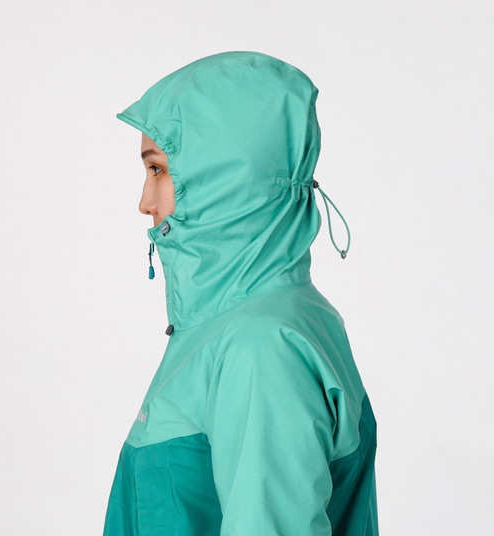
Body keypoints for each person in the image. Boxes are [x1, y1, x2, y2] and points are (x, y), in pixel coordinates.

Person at [103, 50, 379, 535]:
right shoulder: (259, 322)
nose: (145, 202)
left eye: (158, 170)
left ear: (226, 181)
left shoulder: (261, 347)